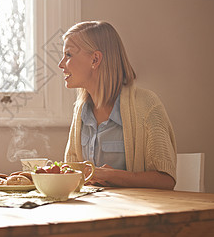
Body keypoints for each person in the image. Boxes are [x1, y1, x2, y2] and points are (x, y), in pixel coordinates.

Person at [59, 21, 176, 190]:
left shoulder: (147, 105)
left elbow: (167, 181)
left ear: (95, 59)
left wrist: (112, 176)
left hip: (133, 212)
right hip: (91, 211)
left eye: (68, 55)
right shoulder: (80, 110)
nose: (61, 64)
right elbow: (70, 174)